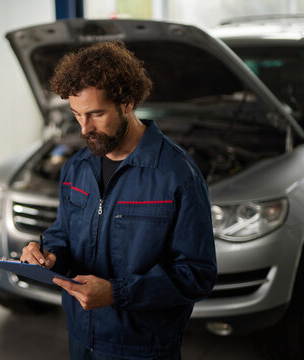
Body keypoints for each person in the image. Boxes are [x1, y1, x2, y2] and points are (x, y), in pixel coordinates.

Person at [20, 41, 217, 360]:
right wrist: (48, 254)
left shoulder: (176, 175)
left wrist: (116, 293)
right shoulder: (77, 167)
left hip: (142, 349)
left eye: (96, 114)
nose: (85, 129)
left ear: (127, 102)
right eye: (77, 115)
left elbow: (198, 274)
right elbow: (62, 234)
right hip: (81, 338)